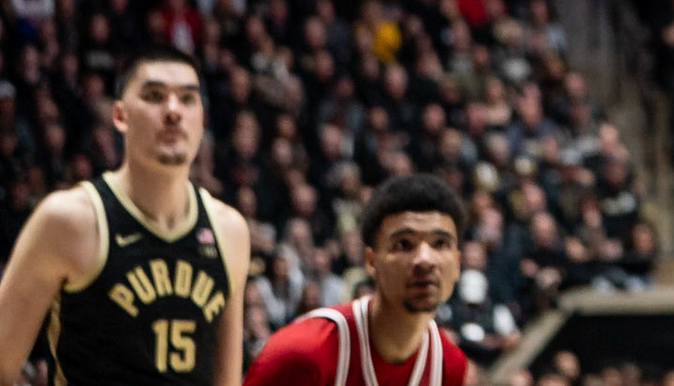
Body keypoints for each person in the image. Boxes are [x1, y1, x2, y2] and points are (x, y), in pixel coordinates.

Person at [0, 46, 252, 386]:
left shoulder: (230, 231)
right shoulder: (68, 221)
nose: (173, 111)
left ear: (203, 118)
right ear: (120, 115)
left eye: (188, 99)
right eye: (154, 96)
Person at [244, 174, 472, 386]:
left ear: (457, 263)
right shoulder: (303, 352)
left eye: (440, 244)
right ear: (371, 262)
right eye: (403, 244)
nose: (425, 259)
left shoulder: (449, 366)